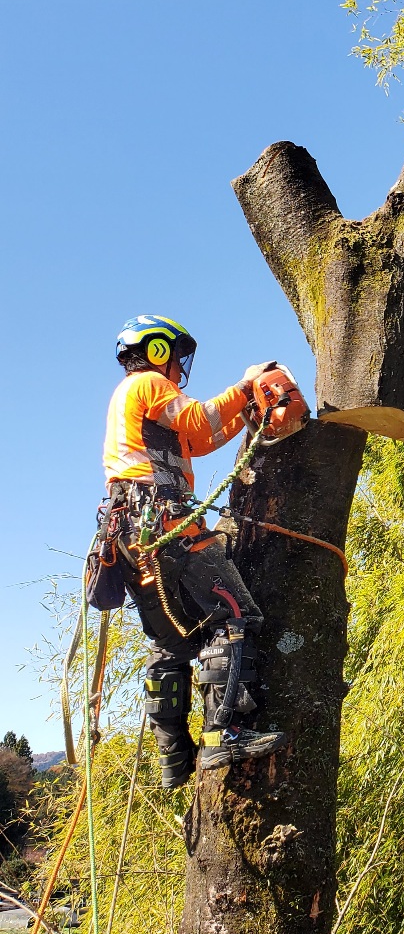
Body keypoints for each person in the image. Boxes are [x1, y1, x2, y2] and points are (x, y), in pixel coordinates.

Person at [96, 315, 287, 789]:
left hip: (127, 533)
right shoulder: (147, 384)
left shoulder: (140, 403)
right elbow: (200, 417)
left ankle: (175, 758)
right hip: (160, 520)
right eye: (177, 355)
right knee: (235, 613)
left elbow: (199, 439)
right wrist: (247, 387)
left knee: (174, 643)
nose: (180, 366)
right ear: (158, 350)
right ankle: (230, 730)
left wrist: (247, 415)